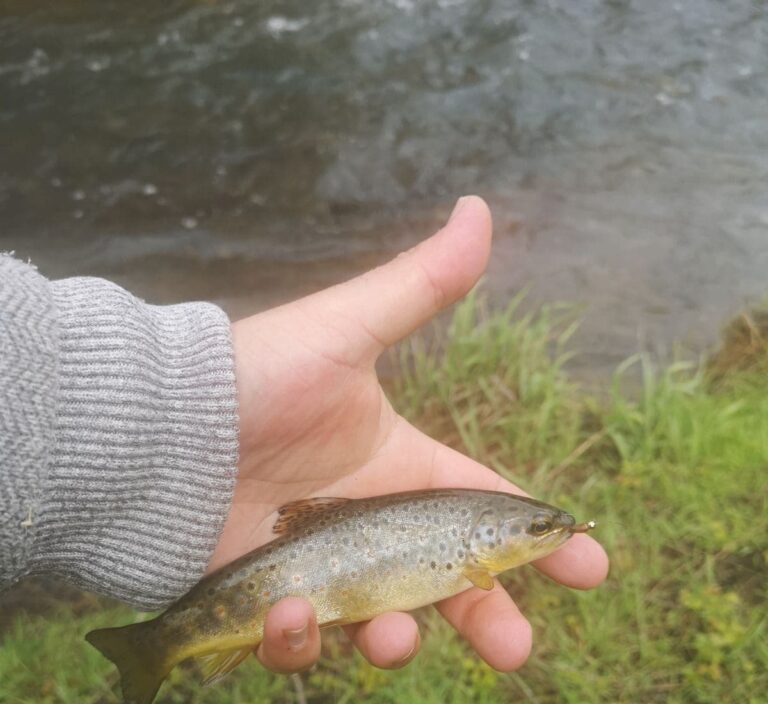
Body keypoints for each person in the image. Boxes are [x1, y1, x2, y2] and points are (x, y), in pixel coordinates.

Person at [0, 195, 608, 674]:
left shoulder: (476, 561)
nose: (547, 533)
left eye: (539, 530)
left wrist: (162, 418)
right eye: (535, 529)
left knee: (307, 623)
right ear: (486, 540)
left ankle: (163, 644)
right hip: (287, 565)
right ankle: (157, 646)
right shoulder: (471, 556)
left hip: (294, 564)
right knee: (303, 623)